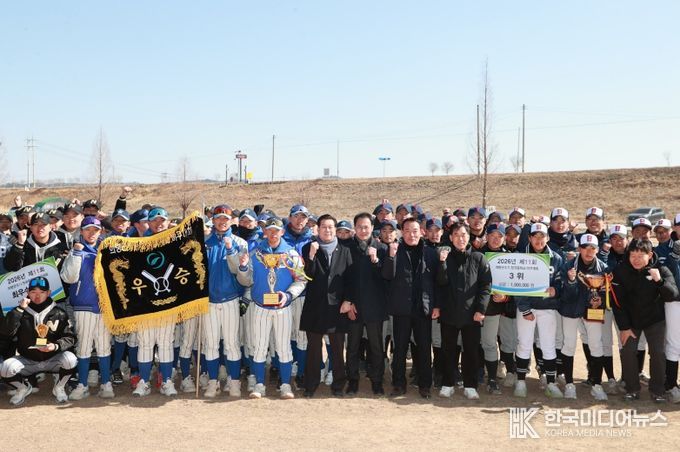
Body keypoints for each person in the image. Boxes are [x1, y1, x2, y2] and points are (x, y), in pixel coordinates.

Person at [239, 217, 307, 399]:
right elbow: (246, 281)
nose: (273, 233)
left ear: (282, 232)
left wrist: (289, 295)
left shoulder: (291, 254)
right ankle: (259, 385)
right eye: (269, 230)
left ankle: (285, 385)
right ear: (265, 232)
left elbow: (301, 280)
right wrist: (243, 268)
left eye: (276, 230)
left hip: (282, 307)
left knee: (283, 347)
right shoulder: (255, 254)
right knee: (259, 346)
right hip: (260, 307)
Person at [612, 239, 679, 402]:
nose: (636, 260)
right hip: (631, 320)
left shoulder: (661, 269)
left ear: (649, 255)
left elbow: (673, 295)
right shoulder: (621, 271)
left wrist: (659, 281)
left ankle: (658, 391)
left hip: (655, 319)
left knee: (658, 352)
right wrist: (624, 327)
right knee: (627, 351)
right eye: (632, 255)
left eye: (640, 256)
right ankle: (632, 389)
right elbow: (617, 302)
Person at [433, 221, 492, 400]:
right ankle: (448, 383)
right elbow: (440, 283)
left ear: (469, 237)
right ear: (451, 238)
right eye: (456, 235)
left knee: (471, 351)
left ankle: (470, 385)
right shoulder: (444, 257)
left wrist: (481, 309)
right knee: (448, 350)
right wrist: (442, 263)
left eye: (464, 235)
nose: (460, 239)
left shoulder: (478, 258)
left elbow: (485, 286)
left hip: (472, 314)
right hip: (449, 313)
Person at [382, 217, 438, 399]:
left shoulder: (430, 253)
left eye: (414, 231)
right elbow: (386, 275)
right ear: (401, 232)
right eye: (407, 231)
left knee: (424, 348)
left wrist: (436, 305)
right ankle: (398, 384)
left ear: (421, 232)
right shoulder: (395, 250)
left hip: (423, 308)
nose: (411, 235)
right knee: (399, 349)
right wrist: (391, 256)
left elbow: (437, 282)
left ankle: (425, 385)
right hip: (401, 308)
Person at [60, 216, 115, 399]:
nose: (92, 233)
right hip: (83, 306)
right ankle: (82, 384)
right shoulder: (76, 251)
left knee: (104, 347)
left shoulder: (106, 251)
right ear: (81, 231)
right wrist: (76, 253)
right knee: (83, 347)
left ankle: (106, 383)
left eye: (95, 230)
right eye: (88, 229)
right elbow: (68, 278)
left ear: (101, 232)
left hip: (105, 307)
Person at [0, 277, 77, 406]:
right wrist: (19, 310)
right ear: (27, 293)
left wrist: (55, 346)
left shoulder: (59, 312)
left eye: (42, 292)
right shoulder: (19, 311)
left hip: (52, 358)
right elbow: (5, 332)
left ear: (49, 293)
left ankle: (59, 387)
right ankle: (23, 388)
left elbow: (70, 337)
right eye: (33, 292)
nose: (37, 296)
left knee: (70, 359)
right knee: (5, 368)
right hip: (28, 360)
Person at [300, 215, 353, 397]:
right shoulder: (309, 247)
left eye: (331, 227)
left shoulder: (345, 250)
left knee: (337, 349)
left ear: (335, 229)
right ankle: (310, 385)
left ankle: (338, 385)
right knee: (313, 349)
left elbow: (350, 279)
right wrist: (311, 256)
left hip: (337, 307)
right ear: (318, 229)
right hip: (315, 306)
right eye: (324, 227)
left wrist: (348, 300)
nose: (327, 230)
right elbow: (308, 276)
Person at [201, 205, 250, 397]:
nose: (222, 222)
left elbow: (243, 276)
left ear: (231, 221)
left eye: (226, 219)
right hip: (209, 301)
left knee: (231, 343)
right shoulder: (205, 243)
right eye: (218, 218)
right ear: (213, 220)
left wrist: (231, 250)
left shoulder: (240, 243)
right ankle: (213, 382)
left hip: (230, 298)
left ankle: (234, 382)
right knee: (211, 344)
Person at [514, 223, 564, 398]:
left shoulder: (556, 258)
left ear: (548, 238)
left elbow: (560, 282)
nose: (538, 240)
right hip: (526, 308)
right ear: (529, 238)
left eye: (542, 236)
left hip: (547, 307)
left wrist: (556, 290)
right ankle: (521, 382)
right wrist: (525, 309)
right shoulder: (520, 256)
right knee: (524, 343)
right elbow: (516, 285)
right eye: (535, 236)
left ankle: (551, 383)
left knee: (548, 345)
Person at [133, 207, 177, 397]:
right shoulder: (138, 245)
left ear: (168, 222)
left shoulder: (175, 243)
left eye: (162, 220)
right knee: (145, 343)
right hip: (145, 303)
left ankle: (166, 381)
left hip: (168, 301)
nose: (159, 224)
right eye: (155, 220)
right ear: (148, 223)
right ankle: (143, 381)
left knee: (166, 343)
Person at [560, 234, 610, 400]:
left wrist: (599, 300)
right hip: (571, 309)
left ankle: (597, 385)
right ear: (579, 248)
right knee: (569, 344)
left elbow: (606, 293)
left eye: (592, 248)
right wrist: (571, 281)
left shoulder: (603, 268)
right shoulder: (568, 266)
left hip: (593, 310)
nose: (589, 252)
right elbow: (565, 296)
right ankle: (569, 384)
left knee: (596, 345)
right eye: (585, 248)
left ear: (597, 249)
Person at [344, 212, 388, 396]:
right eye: (359, 227)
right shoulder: (346, 248)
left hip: (375, 307)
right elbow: (343, 278)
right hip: (354, 306)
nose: (363, 230)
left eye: (366, 227)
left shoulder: (382, 248)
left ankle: (377, 380)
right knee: (352, 346)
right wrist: (348, 301)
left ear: (372, 228)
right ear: (354, 228)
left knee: (376, 347)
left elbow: (387, 277)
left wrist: (376, 261)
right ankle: (353, 380)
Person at [282, 204, 314, 388]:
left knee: (301, 335)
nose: (299, 220)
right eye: (296, 216)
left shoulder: (312, 239)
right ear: (290, 217)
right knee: (284, 335)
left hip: (304, 294)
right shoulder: (281, 238)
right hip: (282, 293)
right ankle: (283, 369)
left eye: (303, 217)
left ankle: (301, 372)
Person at [652, 219, 680, 403]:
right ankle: (671, 385)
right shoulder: (660, 250)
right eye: (658, 231)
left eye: (665, 231)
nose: (661, 234)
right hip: (674, 301)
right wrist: (674, 257)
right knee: (673, 343)